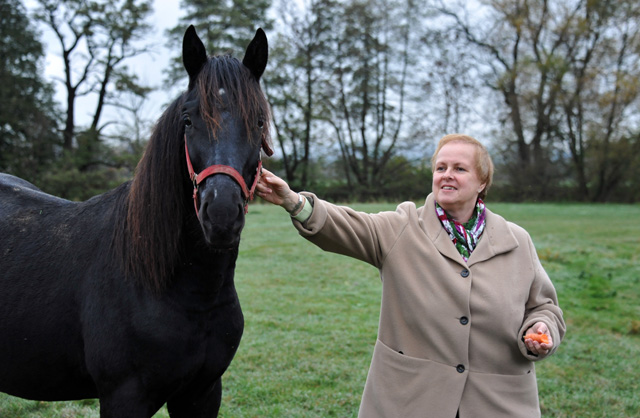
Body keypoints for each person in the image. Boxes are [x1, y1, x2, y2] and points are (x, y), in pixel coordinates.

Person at [256, 133, 565, 418]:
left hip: (499, 402)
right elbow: (346, 225)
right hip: (413, 399)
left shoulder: (516, 240)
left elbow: (544, 307)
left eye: (459, 169)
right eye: (440, 167)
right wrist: (293, 202)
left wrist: (542, 327)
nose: (446, 175)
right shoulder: (403, 227)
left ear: (482, 182)